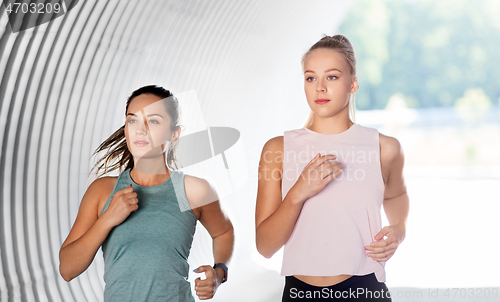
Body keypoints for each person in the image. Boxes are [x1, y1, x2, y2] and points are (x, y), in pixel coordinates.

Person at [255, 35, 409, 301]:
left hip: (364, 290)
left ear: (353, 84)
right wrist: (298, 192)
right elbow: (265, 247)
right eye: (311, 78)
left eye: (333, 77)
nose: (320, 88)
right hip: (299, 293)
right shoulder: (277, 150)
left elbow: (396, 195)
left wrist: (399, 229)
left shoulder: (385, 148)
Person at [59, 85, 234, 301]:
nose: (140, 129)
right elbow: (67, 269)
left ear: (175, 133)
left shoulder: (193, 191)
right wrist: (107, 219)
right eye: (133, 120)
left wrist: (219, 272)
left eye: (153, 121)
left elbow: (224, 232)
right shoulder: (103, 191)